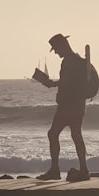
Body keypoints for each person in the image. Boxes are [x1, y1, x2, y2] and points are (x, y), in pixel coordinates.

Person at [37, 33, 90, 181]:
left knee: (53, 134)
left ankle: (55, 170)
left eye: (55, 48)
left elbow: (66, 82)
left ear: (62, 46)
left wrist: (52, 84)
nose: (55, 52)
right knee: (76, 135)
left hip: (68, 105)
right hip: (78, 105)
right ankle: (84, 170)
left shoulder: (68, 62)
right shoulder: (78, 60)